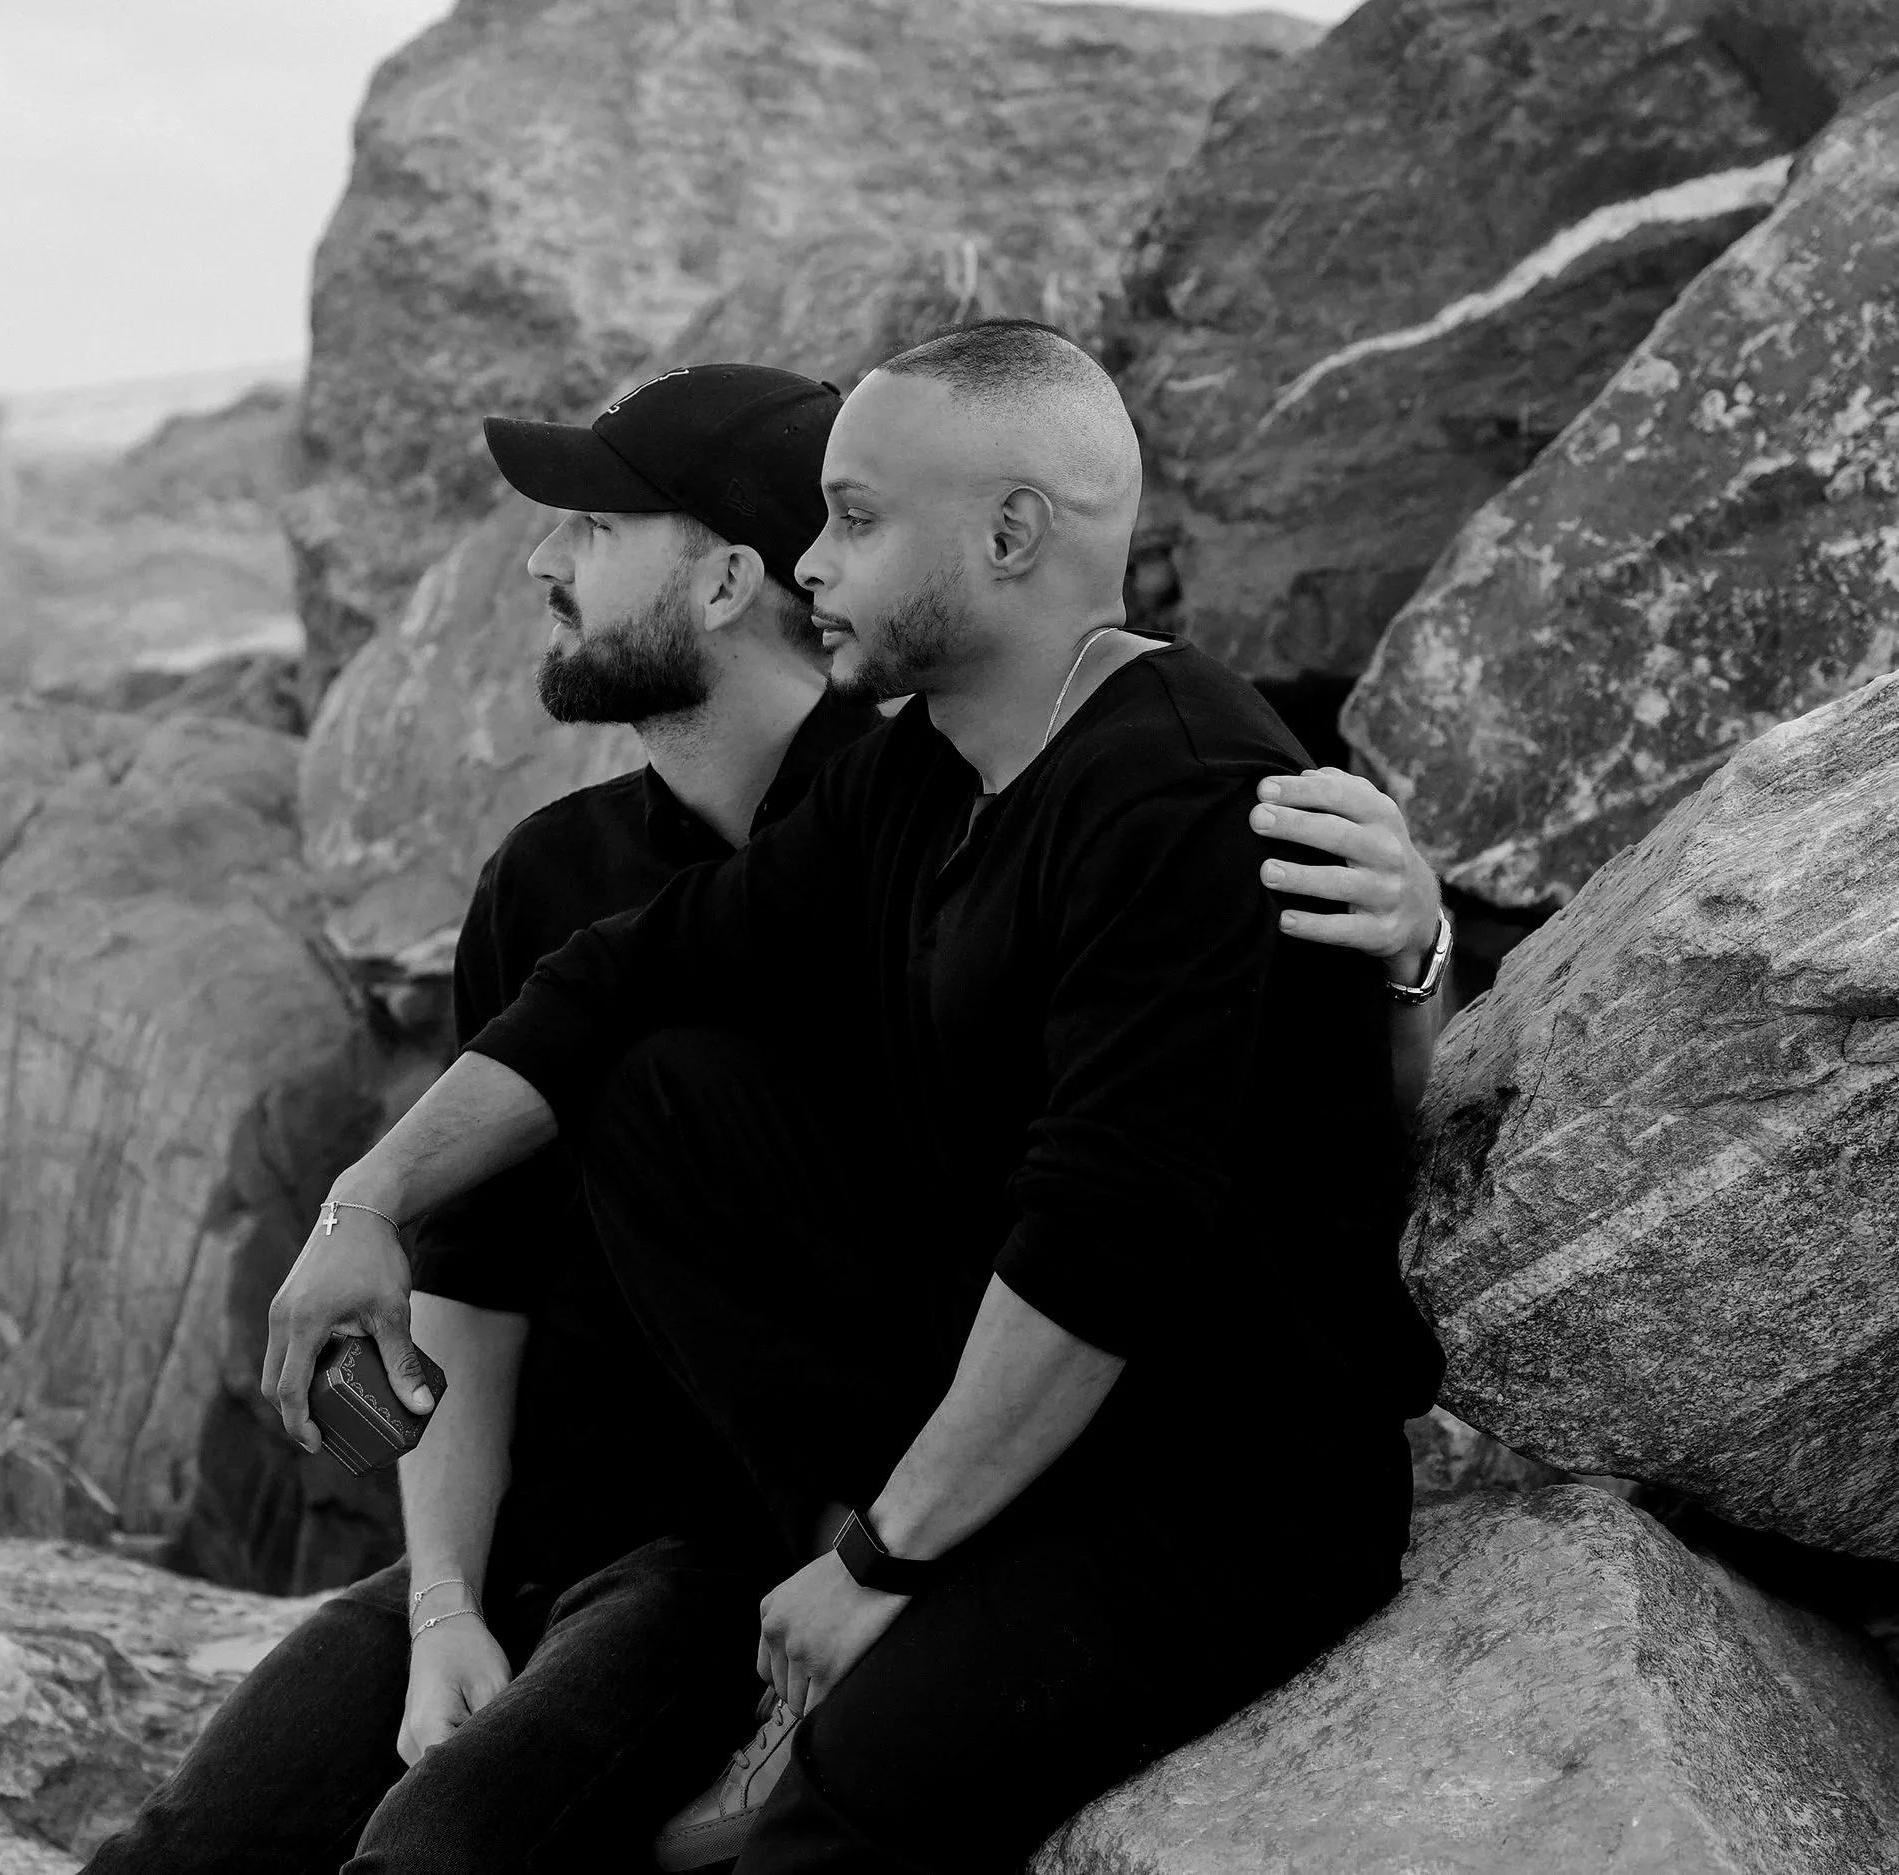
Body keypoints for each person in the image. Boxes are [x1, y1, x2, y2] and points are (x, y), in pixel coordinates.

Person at [90, 354, 1445, 1874]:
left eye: (855, 522)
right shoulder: (925, 775)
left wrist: (881, 1556)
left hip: (1204, 1492)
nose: (817, 562)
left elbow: (1109, 1239)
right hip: (834, 1486)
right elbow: (624, 979)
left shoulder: (1171, 787)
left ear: (1006, 539)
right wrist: (371, 1206)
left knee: (706, 1837)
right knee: (187, 1847)